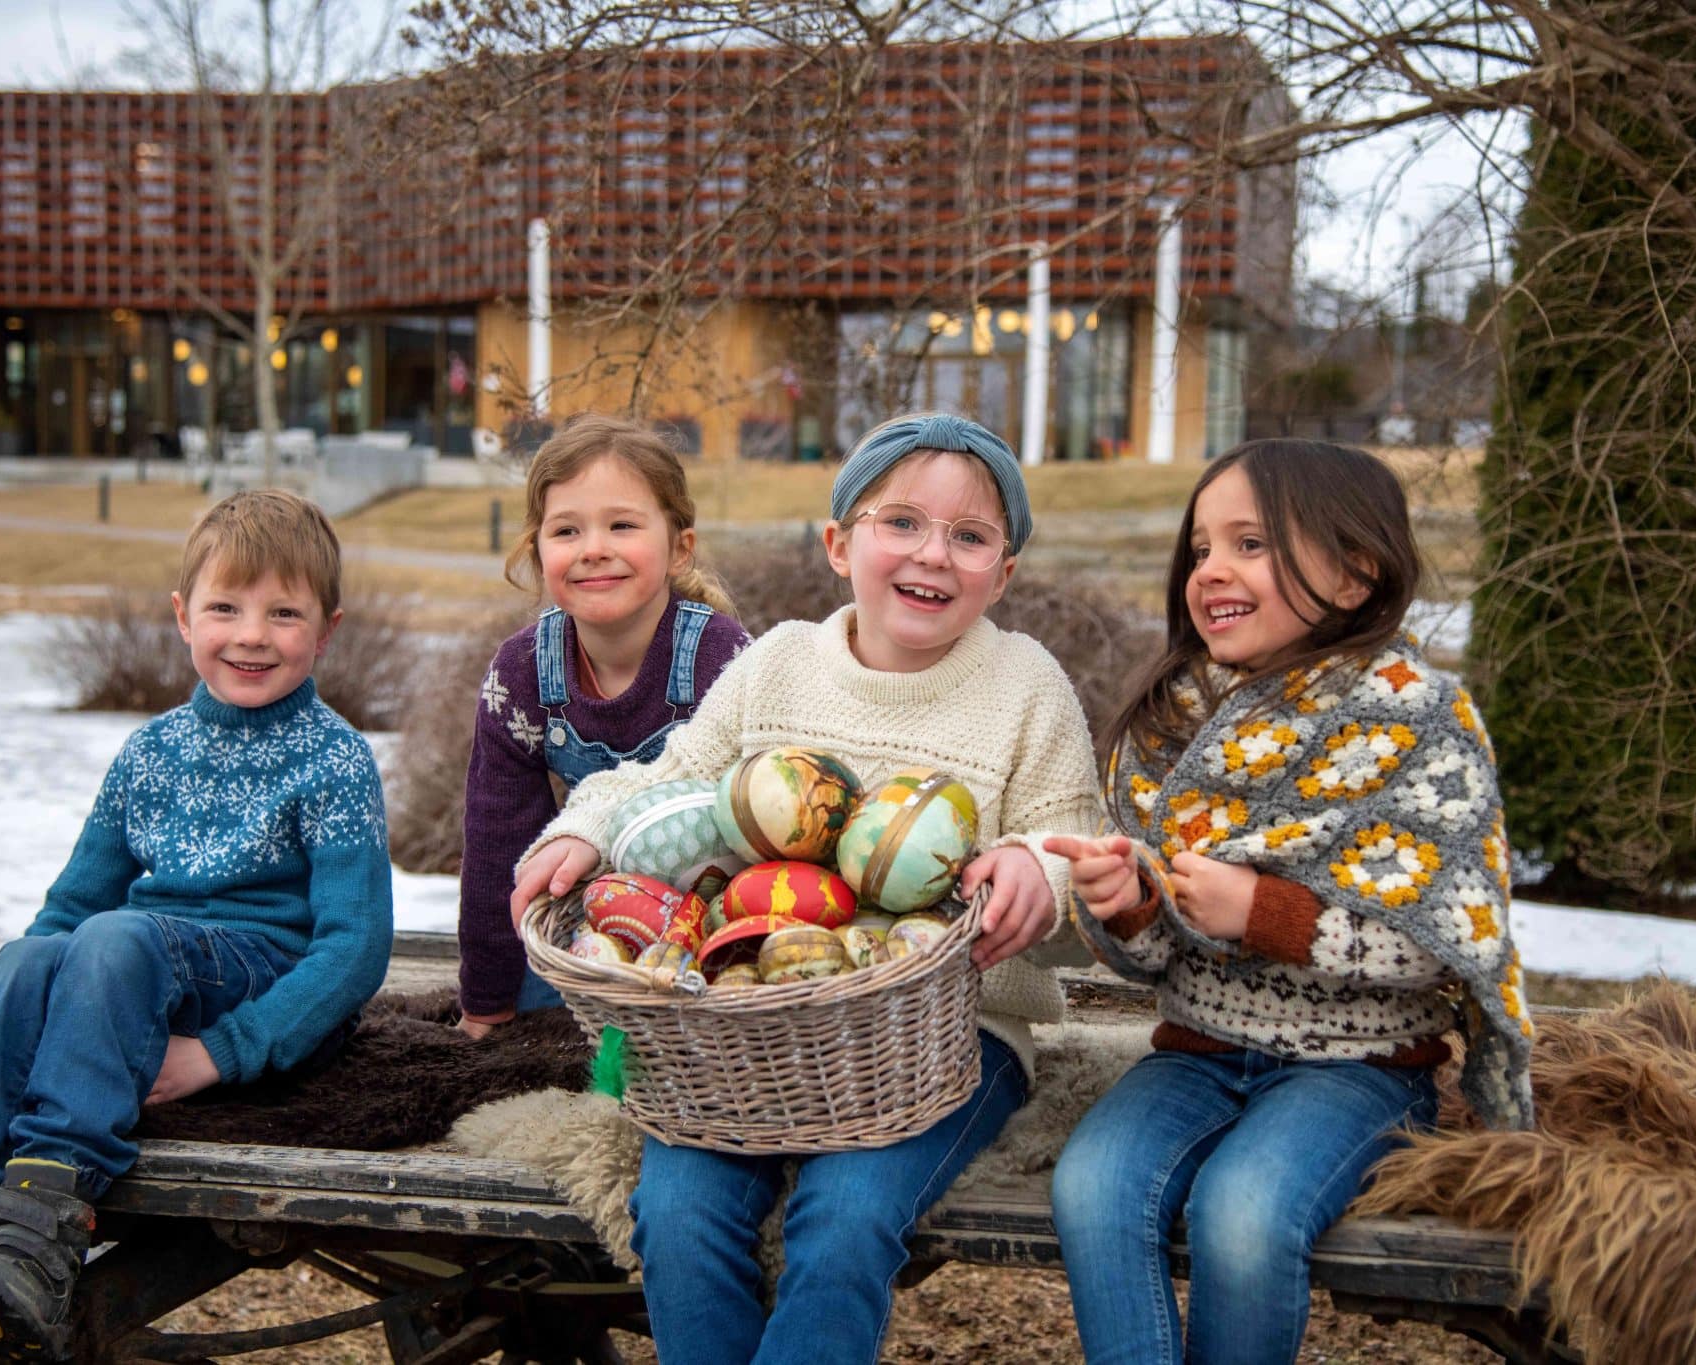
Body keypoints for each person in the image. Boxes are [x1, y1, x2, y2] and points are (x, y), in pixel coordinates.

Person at [511, 411, 1103, 1365]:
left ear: (1005, 571)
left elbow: (1085, 852)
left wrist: (1047, 869)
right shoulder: (779, 663)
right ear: (839, 544)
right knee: (677, 1205)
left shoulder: (1025, 687)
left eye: (970, 536)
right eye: (899, 522)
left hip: (948, 1041)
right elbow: (672, 775)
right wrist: (582, 823)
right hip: (748, 1028)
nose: (933, 555)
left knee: (848, 1212)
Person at [0, 489, 394, 1365]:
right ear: (184, 617)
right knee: (29, 957)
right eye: (226, 607)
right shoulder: (148, 753)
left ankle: (38, 1231)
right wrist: (25, 996)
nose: (252, 634)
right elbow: (72, 904)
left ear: (325, 631)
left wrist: (221, 1051)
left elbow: (354, 947)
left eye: (283, 613)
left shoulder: (333, 759)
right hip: (137, 972)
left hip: (262, 983)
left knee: (115, 939)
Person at [1043, 439, 1536, 1365]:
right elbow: (1149, 959)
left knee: (1244, 1212)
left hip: (1361, 1068)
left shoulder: (1418, 719)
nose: (1212, 570)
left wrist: (1265, 912)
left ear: (1355, 575)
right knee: (1095, 1183)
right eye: (1200, 548)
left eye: (1252, 543)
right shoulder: (1170, 720)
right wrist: (1128, 907)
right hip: (1196, 1052)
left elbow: (1447, 944)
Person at [456, 414, 751, 1039]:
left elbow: (759, 828)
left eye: (622, 525)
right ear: (538, 552)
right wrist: (485, 1006)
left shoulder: (720, 659)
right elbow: (496, 845)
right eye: (567, 530)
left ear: (679, 547)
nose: (594, 547)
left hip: (712, 916)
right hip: (582, 916)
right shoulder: (524, 673)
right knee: (546, 1024)